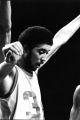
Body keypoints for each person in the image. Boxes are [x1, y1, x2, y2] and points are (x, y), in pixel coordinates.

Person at [0, 0, 80, 119]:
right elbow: (5, 30)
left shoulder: (33, 72)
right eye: (41, 52)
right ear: (25, 49)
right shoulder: (11, 74)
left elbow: (61, 37)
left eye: (46, 53)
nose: (44, 58)